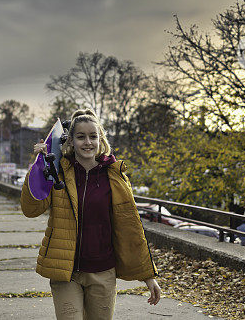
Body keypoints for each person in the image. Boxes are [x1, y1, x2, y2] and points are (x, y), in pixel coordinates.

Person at [20, 109, 161, 320]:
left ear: (100, 139)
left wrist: (148, 276)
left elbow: (130, 229)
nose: (87, 142)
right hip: (66, 273)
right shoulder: (58, 172)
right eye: (80, 137)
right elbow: (31, 209)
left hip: (103, 272)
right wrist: (39, 167)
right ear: (71, 141)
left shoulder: (114, 177)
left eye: (93, 136)